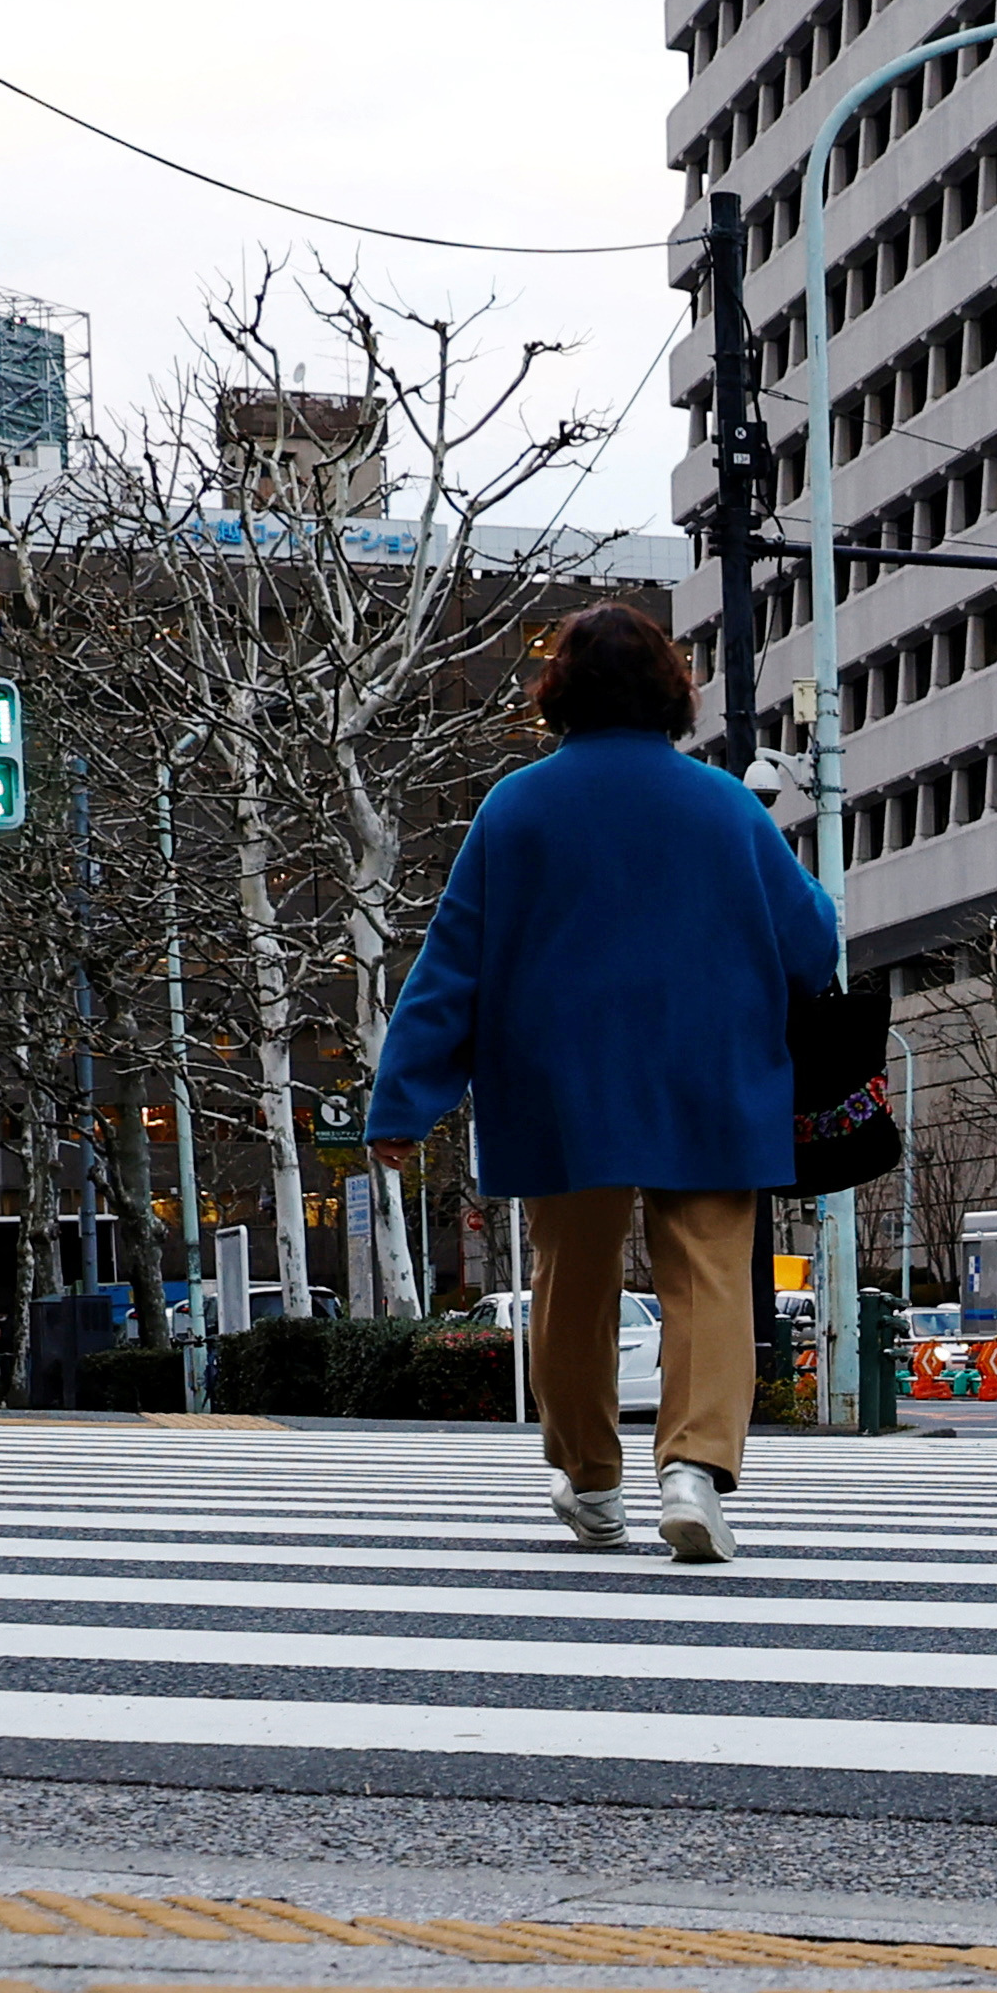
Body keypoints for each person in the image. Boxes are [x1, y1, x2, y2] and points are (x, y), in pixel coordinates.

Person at [367, 604, 841, 1564]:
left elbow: (451, 967)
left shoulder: (517, 808)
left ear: (561, 696)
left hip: (561, 1081)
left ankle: (591, 1482)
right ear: (672, 690)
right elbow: (811, 941)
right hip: (709, 1075)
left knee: (569, 1282)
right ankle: (695, 1471)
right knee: (710, 1273)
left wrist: (404, 1101)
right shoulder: (728, 808)